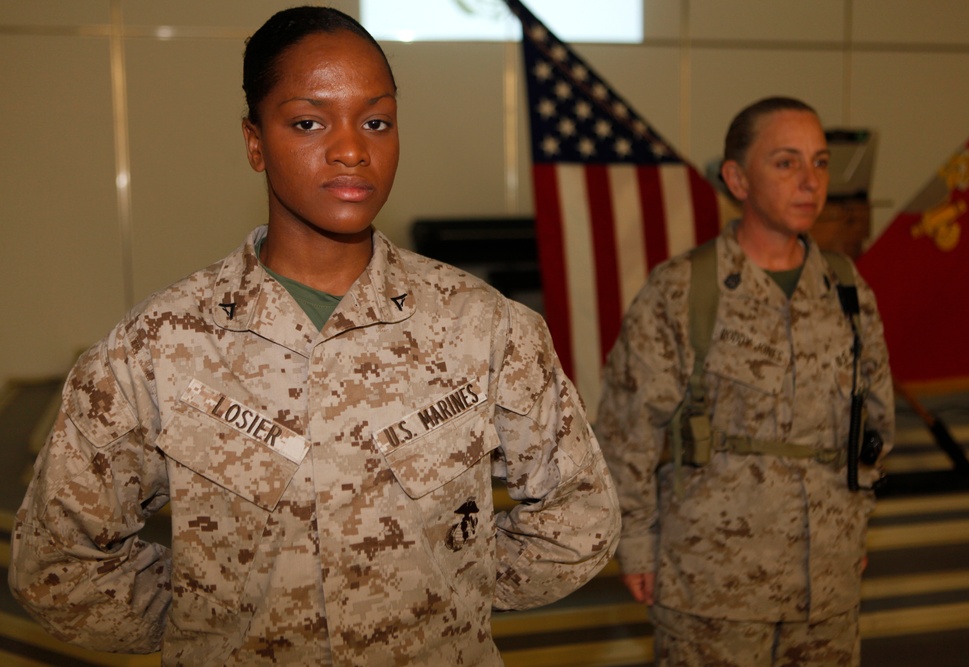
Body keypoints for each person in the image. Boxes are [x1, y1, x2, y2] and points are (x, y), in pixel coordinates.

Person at [9, 7, 620, 665]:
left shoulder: (487, 330)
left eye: (376, 121)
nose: (352, 148)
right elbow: (57, 561)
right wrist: (212, 613)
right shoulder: (158, 347)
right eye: (308, 121)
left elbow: (576, 521)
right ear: (254, 141)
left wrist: (441, 589)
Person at [596, 96, 893, 666]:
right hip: (713, 582)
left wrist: (853, 525)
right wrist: (635, 545)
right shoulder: (685, 290)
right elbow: (626, 430)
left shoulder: (846, 288)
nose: (809, 181)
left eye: (821, 163)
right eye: (786, 163)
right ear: (737, 178)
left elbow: (875, 424)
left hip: (826, 582)